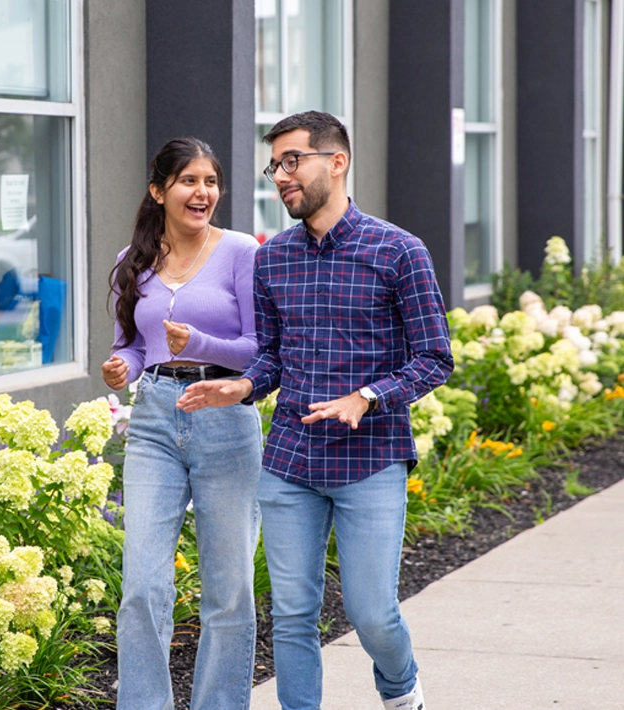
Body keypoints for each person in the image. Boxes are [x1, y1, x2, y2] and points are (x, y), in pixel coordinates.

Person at [177, 111, 453, 710]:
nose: (281, 176)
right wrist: (242, 386)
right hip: (290, 462)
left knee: (372, 613)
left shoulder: (399, 251)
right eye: (276, 165)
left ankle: (402, 690)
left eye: (292, 161)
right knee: (293, 615)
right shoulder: (272, 257)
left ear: (337, 161)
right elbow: (272, 357)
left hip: (371, 459)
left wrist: (367, 397)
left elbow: (435, 357)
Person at [102, 137, 263, 710]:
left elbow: (259, 350)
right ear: (158, 191)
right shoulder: (134, 260)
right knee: (143, 585)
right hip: (154, 423)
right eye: (189, 181)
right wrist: (124, 365)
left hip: (225, 417)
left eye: (210, 181)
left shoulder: (241, 251)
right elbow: (134, 345)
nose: (203, 192)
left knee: (228, 590)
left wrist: (198, 342)